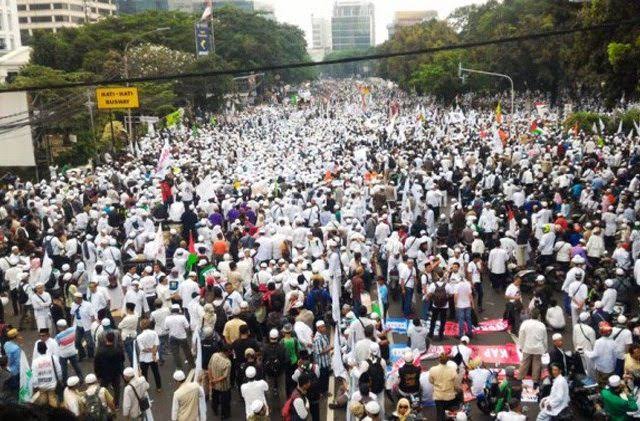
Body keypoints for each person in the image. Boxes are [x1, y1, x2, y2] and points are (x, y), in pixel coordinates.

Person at [94, 331, 125, 407]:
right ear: (114, 339)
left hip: (104, 374)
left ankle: (104, 404)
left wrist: (98, 374)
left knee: (103, 389)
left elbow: (96, 364)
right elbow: (122, 359)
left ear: (106, 339)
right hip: (116, 373)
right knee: (116, 389)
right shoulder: (118, 350)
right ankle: (116, 404)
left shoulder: (100, 351)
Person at [518, 308, 547, 384]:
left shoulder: (525, 323)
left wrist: (521, 346)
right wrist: (545, 348)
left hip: (527, 347)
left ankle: (520, 378)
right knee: (536, 364)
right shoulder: (542, 325)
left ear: (530, 315)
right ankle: (535, 381)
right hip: (538, 348)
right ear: (539, 316)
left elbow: (521, 336)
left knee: (524, 363)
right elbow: (545, 339)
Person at [31, 341, 62, 407]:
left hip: (41, 386)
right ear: (46, 348)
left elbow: (34, 375)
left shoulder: (35, 362)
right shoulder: (53, 358)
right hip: (52, 384)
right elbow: (59, 371)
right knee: (53, 399)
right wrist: (59, 379)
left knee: (43, 402)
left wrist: (35, 385)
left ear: (38, 350)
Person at [429, 352, 458, 421]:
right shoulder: (452, 370)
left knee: (440, 414)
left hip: (438, 396)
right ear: (447, 360)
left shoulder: (433, 369)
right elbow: (455, 384)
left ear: (439, 359)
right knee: (450, 415)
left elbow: (431, 381)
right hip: (450, 396)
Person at [165, 303, 194, 370]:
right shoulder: (182, 317)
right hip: (182, 336)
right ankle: (192, 365)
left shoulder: (167, 318)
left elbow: (166, 328)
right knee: (187, 351)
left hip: (172, 337)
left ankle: (179, 367)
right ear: (178, 310)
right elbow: (187, 327)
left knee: (175, 353)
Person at [55, 319, 83, 384]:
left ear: (60, 327)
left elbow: (57, 344)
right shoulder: (73, 330)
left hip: (63, 354)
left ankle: (65, 382)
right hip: (73, 351)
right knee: (76, 366)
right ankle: (81, 378)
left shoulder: (58, 336)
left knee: (64, 369)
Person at [137, 318, 161, 391]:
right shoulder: (154, 333)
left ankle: (145, 387)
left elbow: (142, 349)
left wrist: (149, 350)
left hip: (143, 358)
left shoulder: (139, 337)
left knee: (144, 374)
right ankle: (159, 387)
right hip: (153, 356)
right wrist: (153, 352)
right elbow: (156, 345)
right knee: (156, 372)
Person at [208, 344, 232, 419]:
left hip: (214, 384)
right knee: (225, 401)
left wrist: (211, 380)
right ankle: (224, 415)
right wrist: (215, 380)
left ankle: (215, 409)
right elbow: (225, 377)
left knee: (215, 398)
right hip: (224, 386)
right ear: (226, 352)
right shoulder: (227, 362)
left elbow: (209, 367)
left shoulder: (214, 355)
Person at [311, 320, 332, 395]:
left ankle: (324, 391)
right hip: (321, 363)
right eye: (322, 327)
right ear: (318, 328)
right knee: (322, 378)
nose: (324, 328)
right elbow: (320, 351)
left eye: (324, 326)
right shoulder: (317, 338)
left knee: (326, 377)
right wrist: (330, 348)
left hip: (325, 361)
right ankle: (323, 392)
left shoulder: (323, 335)